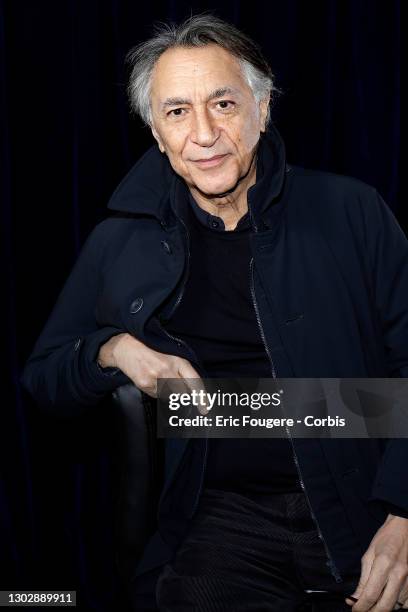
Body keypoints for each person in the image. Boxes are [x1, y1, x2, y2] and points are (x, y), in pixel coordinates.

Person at [22, 14, 408, 612]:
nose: (203, 133)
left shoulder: (352, 211)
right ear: (156, 132)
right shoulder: (120, 240)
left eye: (223, 103)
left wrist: (405, 513)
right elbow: (44, 377)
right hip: (224, 522)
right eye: (177, 111)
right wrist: (114, 349)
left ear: (263, 108)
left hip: (366, 506)